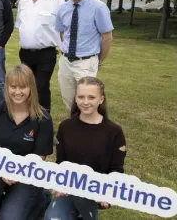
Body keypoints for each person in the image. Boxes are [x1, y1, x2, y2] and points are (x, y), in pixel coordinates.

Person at [0, 64, 53, 219]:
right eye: (13, 86)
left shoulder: (42, 118)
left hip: (27, 175)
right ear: (7, 87)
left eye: (23, 87)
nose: (17, 92)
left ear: (31, 88)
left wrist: (15, 172)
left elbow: (39, 158)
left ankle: (40, 198)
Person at [44, 76, 126, 220]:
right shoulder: (66, 127)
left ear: (101, 99)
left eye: (91, 97)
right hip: (69, 189)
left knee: (82, 196)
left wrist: (107, 193)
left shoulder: (114, 131)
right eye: (81, 97)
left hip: (98, 192)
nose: (85, 102)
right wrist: (58, 184)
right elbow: (61, 163)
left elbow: (116, 169)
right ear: (75, 98)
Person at [56, 0, 113, 110]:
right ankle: (75, 128)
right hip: (65, 62)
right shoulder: (62, 8)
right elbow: (63, 33)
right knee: (69, 100)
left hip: (86, 63)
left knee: (86, 103)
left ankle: (90, 129)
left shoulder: (98, 7)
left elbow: (107, 37)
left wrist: (98, 60)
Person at [15, 0, 65, 113]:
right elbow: (20, 25)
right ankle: (28, 117)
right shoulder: (23, 1)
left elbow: (64, 28)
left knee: (41, 87)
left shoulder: (56, 0)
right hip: (25, 53)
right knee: (26, 87)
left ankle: (44, 121)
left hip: (46, 53)